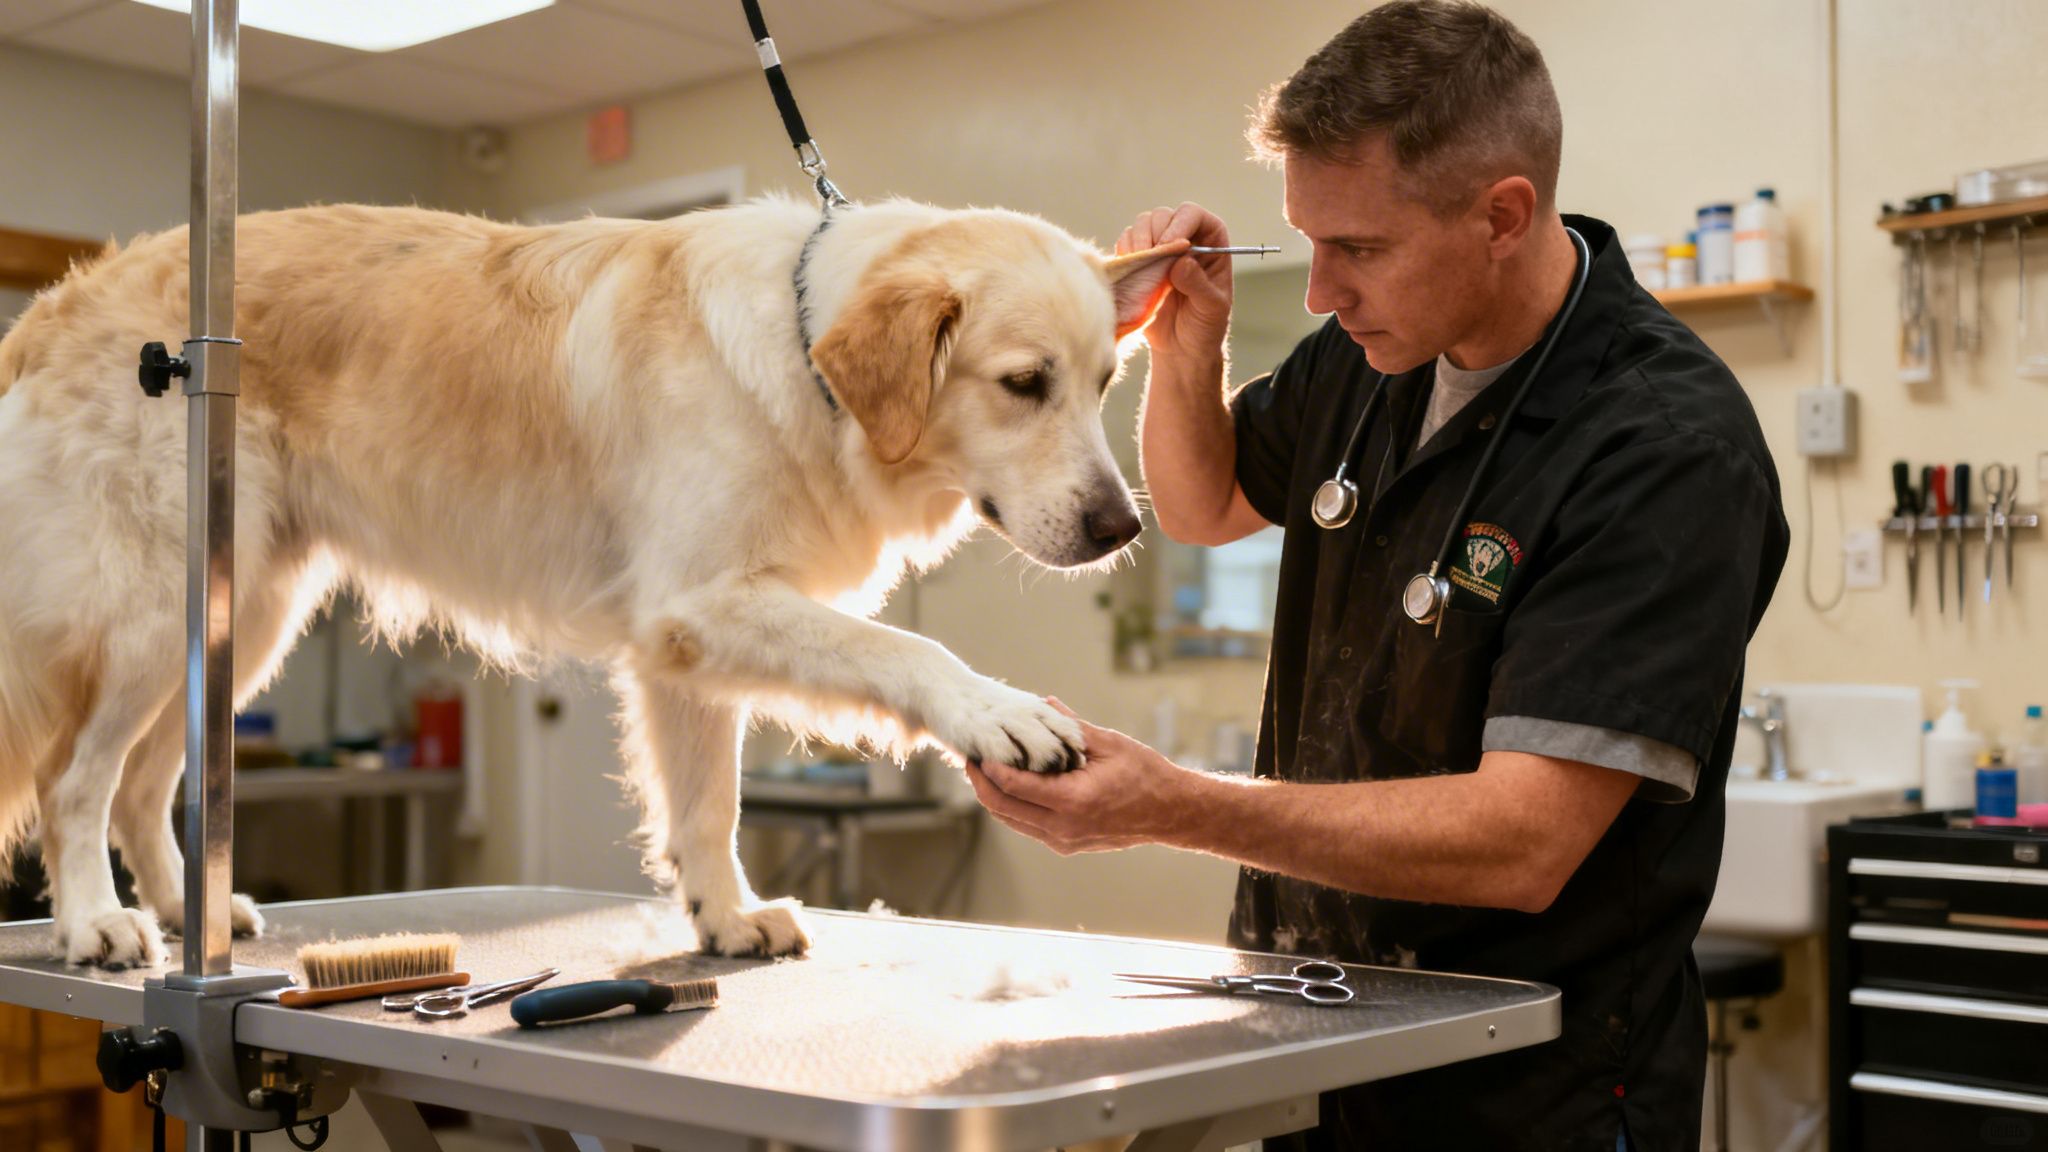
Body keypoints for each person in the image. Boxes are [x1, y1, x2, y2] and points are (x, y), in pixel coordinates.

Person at [966, 3, 1789, 1149]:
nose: (1317, 291)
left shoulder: (1658, 446)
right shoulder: (1368, 360)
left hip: (1522, 1091)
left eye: (1357, 248)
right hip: (1319, 1035)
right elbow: (1203, 510)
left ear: (1501, 215)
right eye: (1306, 242)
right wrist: (1184, 348)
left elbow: (1520, 841)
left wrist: (1172, 805)